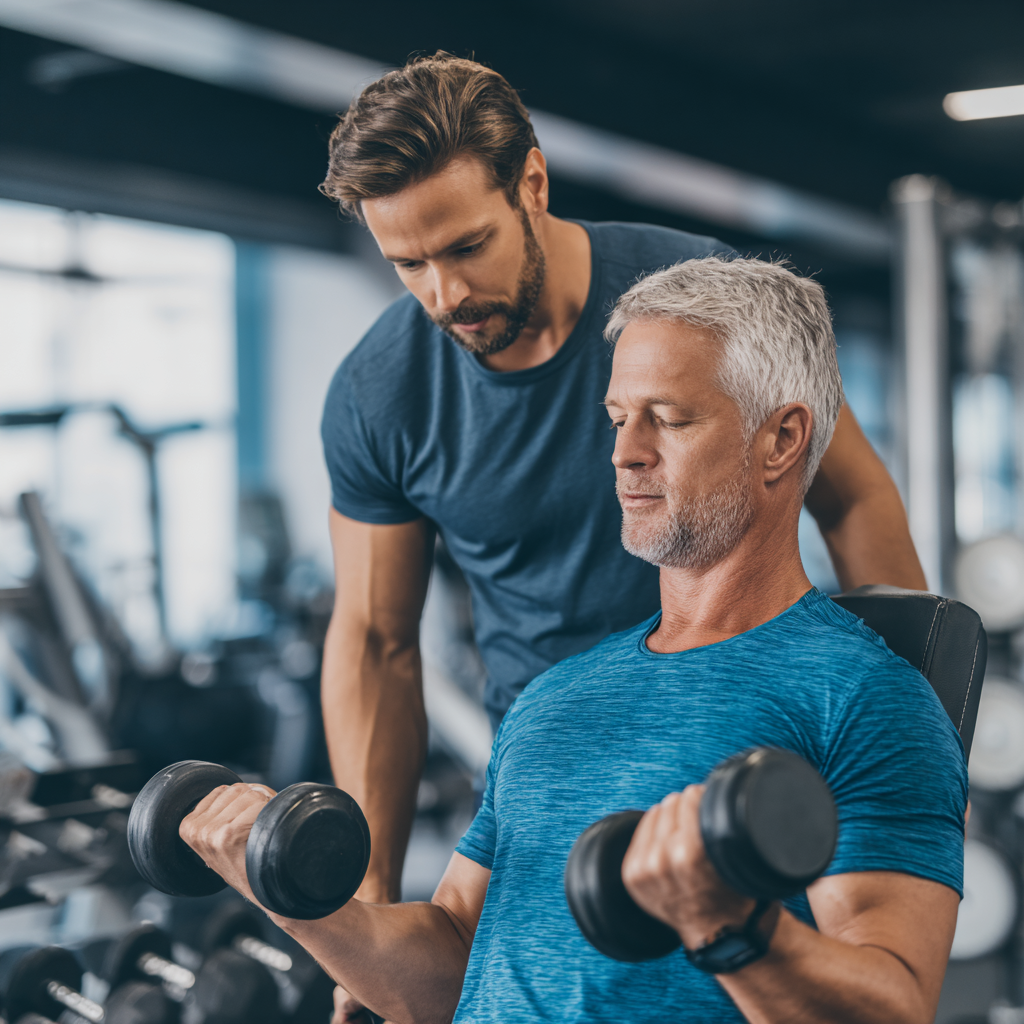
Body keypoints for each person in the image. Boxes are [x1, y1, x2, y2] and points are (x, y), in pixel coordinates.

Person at [181, 257, 965, 1024]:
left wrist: (732, 927)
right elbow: (450, 970)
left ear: (781, 440)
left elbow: (893, 1008)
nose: (625, 453)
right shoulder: (555, 695)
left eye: (669, 418)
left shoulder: (865, 699)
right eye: (619, 418)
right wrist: (287, 891)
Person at [316, 54, 928, 929]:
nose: (445, 295)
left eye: (466, 247)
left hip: (752, 762)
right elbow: (377, 642)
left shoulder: (699, 299)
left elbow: (852, 497)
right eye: (407, 263)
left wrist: (918, 739)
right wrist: (366, 910)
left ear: (531, 184)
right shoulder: (381, 391)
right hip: (551, 782)